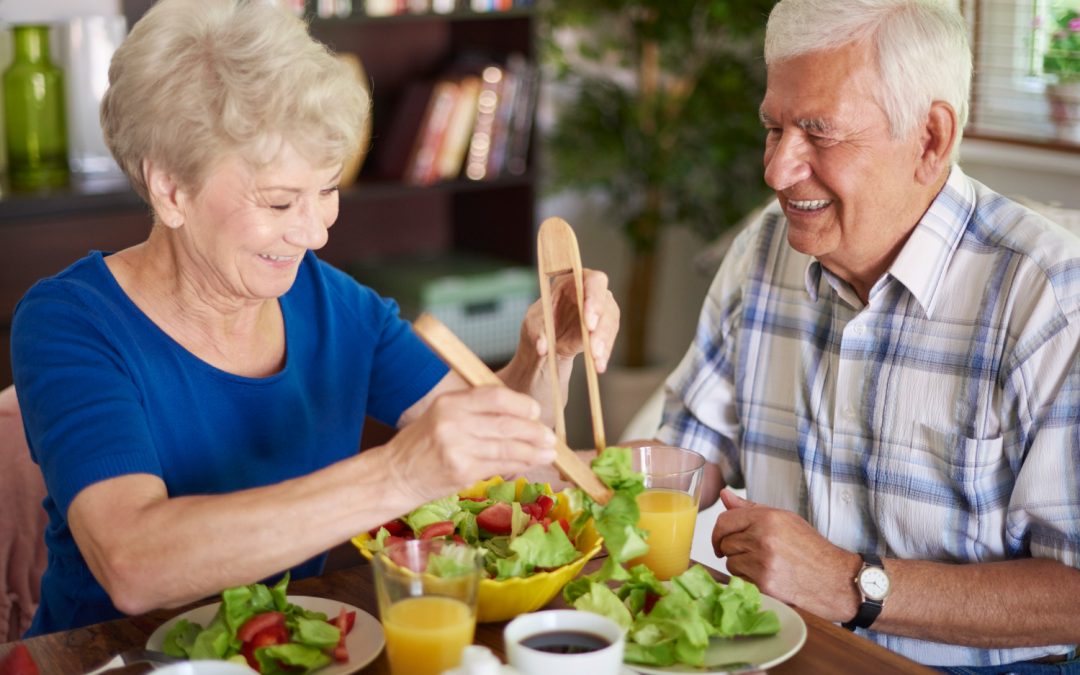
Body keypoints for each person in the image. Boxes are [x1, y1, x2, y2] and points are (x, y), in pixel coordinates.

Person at [10, 0, 619, 636]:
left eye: (327, 190)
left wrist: (544, 355)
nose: (315, 232)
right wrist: (399, 472)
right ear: (170, 190)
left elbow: (505, 461)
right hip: (107, 656)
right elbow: (133, 564)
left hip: (293, 645)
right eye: (279, 201)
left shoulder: (335, 305)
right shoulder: (72, 321)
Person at [656, 0, 1080, 670]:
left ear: (930, 139)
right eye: (774, 128)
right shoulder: (764, 248)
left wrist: (851, 581)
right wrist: (548, 411)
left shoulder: (1051, 300)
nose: (776, 170)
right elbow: (687, 456)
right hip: (783, 654)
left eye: (819, 135)